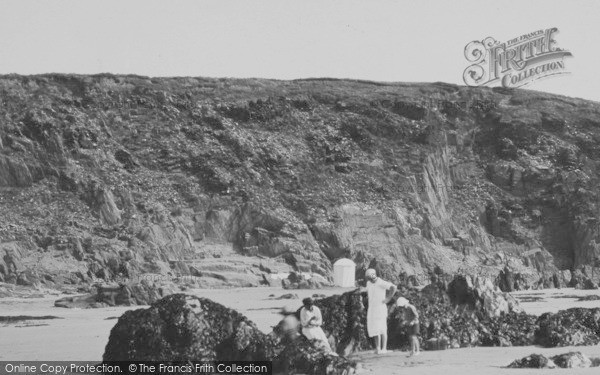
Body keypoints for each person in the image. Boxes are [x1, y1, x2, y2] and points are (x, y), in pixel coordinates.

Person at [365, 268, 397, 354]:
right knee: (374, 328)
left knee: (382, 328)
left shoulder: (380, 282)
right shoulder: (368, 283)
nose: (368, 279)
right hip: (372, 308)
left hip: (380, 308)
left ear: (372, 275)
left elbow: (393, 287)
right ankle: (378, 348)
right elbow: (368, 291)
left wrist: (388, 298)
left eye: (368, 277)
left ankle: (384, 348)